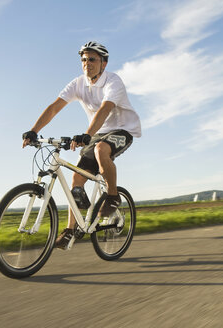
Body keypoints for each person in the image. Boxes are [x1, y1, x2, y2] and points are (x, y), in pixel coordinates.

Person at [22, 41, 141, 249]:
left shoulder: (113, 81)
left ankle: (112, 197)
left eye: (92, 59)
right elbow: (54, 108)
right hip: (97, 133)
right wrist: (34, 130)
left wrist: (86, 134)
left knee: (100, 149)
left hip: (122, 129)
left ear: (104, 63)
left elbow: (105, 109)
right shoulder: (78, 83)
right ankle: (71, 230)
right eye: (83, 59)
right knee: (77, 176)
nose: (87, 63)